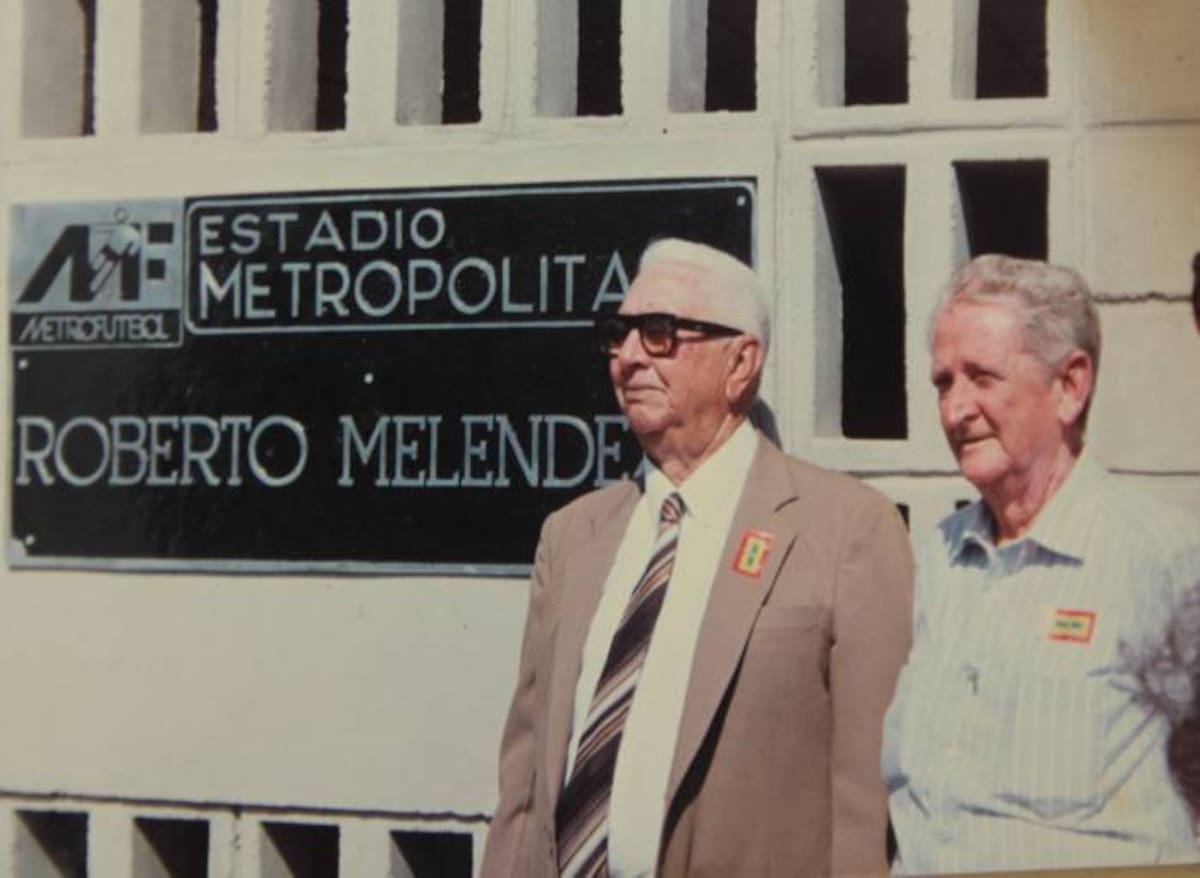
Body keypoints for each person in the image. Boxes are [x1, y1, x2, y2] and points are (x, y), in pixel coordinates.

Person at [481, 238, 913, 877]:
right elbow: (525, 789)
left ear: (740, 363)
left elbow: (866, 804)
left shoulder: (846, 528)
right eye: (619, 333)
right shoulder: (572, 537)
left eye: (659, 333)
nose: (627, 357)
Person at [883, 254, 1200, 873]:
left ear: (1070, 387)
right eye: (943, 382)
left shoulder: (1168, 562)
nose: (954, 411)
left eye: (982, 377)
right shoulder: (943, 555)